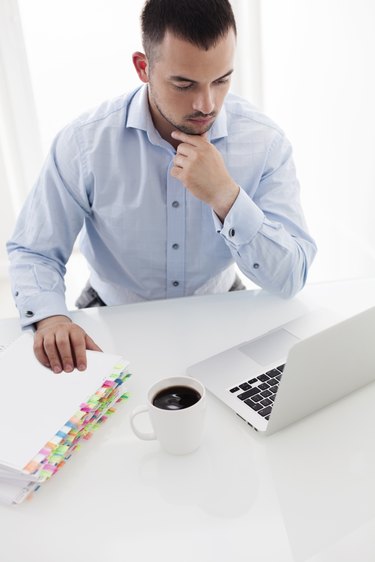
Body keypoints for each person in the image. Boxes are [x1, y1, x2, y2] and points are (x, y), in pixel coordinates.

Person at [7, 0, 317, 374]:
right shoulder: (83, 144)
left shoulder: (264, 143)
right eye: (184, 84)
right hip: (110, 316)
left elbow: (291, 277)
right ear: (144, 67)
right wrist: (51, 317)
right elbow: (34, 249)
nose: (207, 104)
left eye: (221, 80)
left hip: (224, 307)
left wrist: (226, 197)